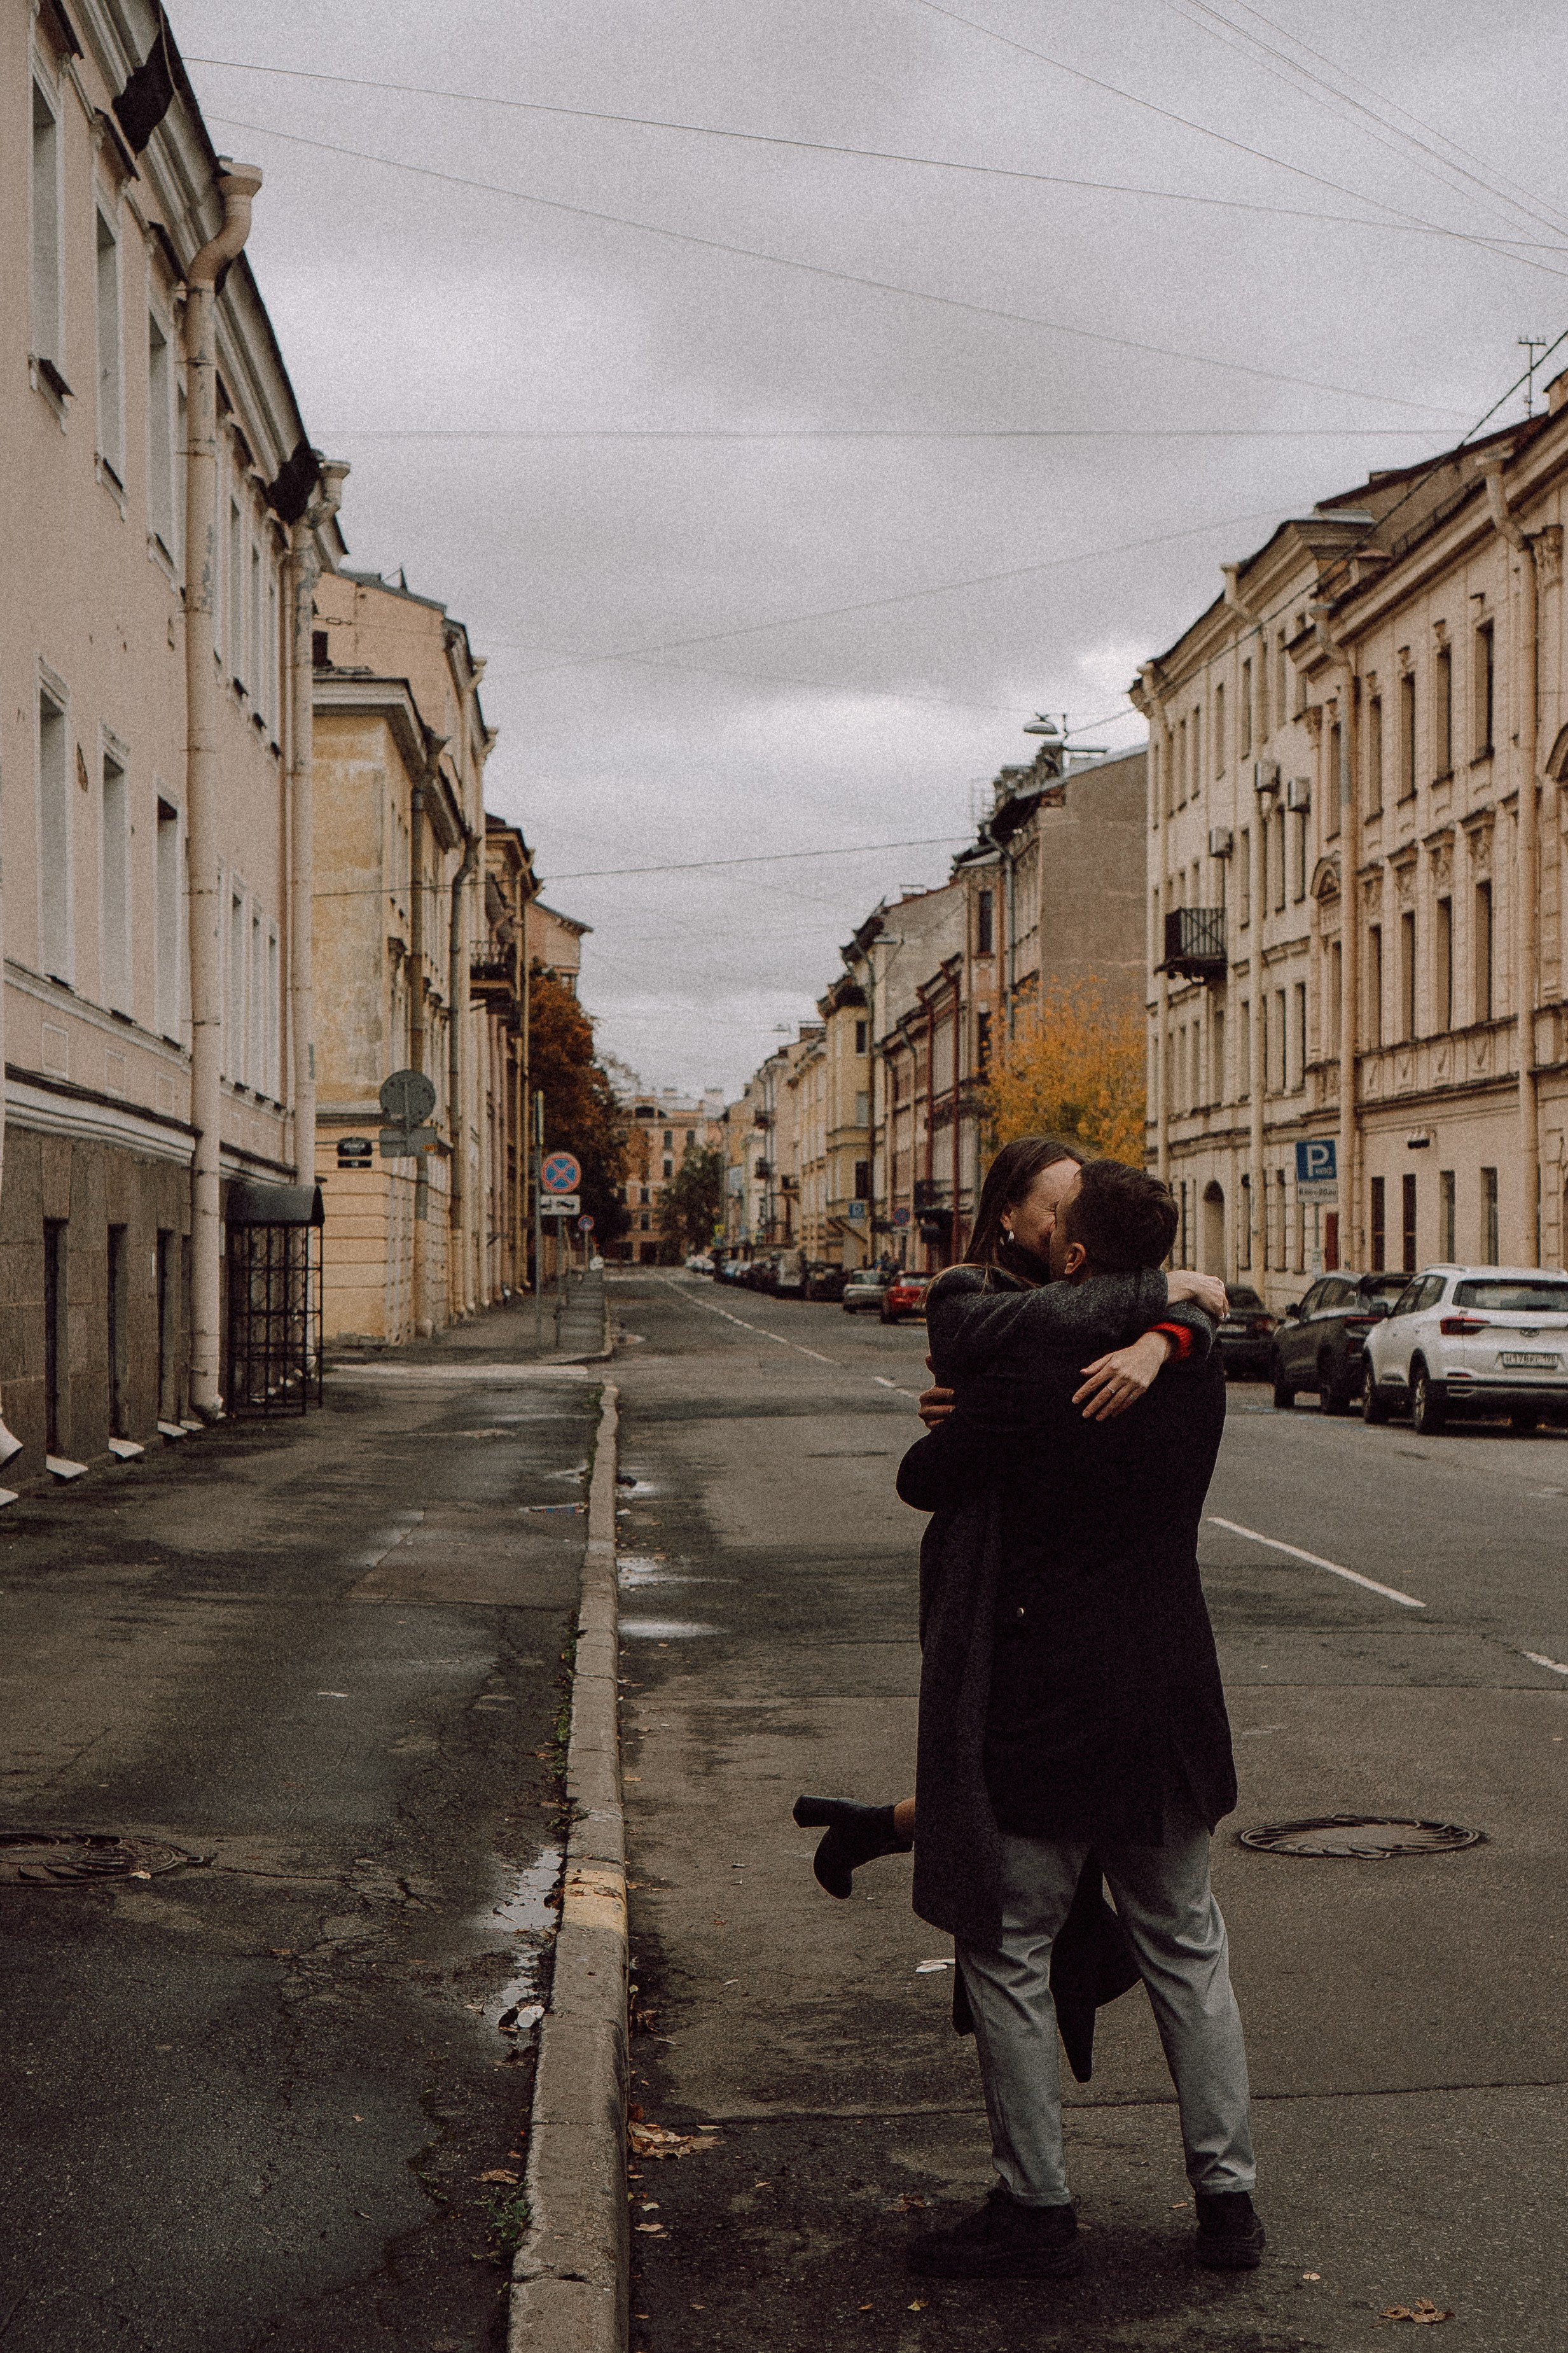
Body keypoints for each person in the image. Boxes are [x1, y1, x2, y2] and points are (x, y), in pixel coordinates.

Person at [894, 1157, 1258, 2282]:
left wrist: (951, 1414)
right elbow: (1204, 1319)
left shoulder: (1025, 1365)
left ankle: (1036, 2204)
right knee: (1187, 1947)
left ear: (1081, 1254)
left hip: (1041, 1704)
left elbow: (924, 1476)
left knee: (1007, 1948)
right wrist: (1167, 1325)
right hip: (1167, 1696)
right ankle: (1228, 2199)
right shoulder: (1193, 1370)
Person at [794, 1138, 1225, 1898]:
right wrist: (1159, 1295)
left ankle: (875, 1826)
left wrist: (1163, 1338)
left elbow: (1201, 1316)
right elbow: (1040, 1330)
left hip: (1072, 1605)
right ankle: (882, 1830)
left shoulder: (1106, 1305)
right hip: (988, 1572)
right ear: (1008, 1214)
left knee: (1032, 1818)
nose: (1062, 1224)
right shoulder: (968, 1291)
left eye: (1075, 1209)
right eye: (1054, 1208)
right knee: (1009, 1813)